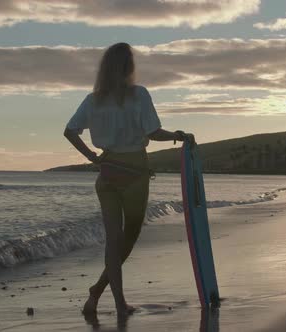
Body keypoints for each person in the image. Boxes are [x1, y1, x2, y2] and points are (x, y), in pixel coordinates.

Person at [63, 42, 193, 319]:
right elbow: (154, 132)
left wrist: (92, 157)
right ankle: (99, 293)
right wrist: (178, 136)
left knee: (113, 242)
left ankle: (113, 302)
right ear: (129, 67)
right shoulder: (139, 95)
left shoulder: (92, 99)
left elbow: (70, 131)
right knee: (127, 241)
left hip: (107, 172)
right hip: (134, 174)